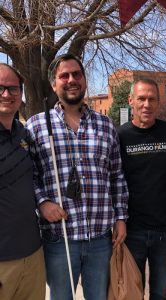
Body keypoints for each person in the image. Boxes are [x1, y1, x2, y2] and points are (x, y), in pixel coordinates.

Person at [26, 54, 128, 300]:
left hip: (100, 238)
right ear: (54, 84)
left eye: (77, 74)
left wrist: (121, 217)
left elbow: (116, 176)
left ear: (84, 81)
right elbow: (28, 176)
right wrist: (42, 202)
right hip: (59, 238)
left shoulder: (105, 126)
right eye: (64, 75)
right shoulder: (37, 126)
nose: (71, 80)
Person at [118, 78, 166, 300]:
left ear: (158, 102)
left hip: (165, 231)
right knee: (132, 292)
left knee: (160, 293)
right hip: (131, 230)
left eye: (151, 99)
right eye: (141, 98)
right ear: (131, 101)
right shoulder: (120, 136)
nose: (146, 104)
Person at [0, 63, 46, 300]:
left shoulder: (25, 134)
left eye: (13, 88)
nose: (6, 94)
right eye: (0, 88)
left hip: (32, 254)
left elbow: (37, 178)